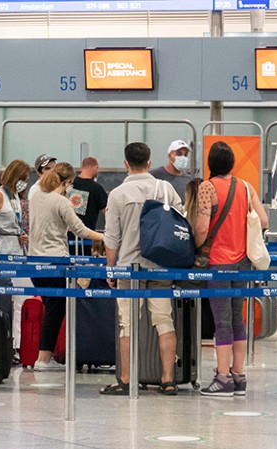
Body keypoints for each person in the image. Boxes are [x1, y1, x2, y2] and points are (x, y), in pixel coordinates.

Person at [101, 142, 182, 396]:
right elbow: (181, 224)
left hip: (128, 268)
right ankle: (168, 379)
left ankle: (126, 379)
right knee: (164, 320)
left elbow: (111, 238)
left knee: (127, 323)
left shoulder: (116, 194)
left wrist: (110, 269)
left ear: (126, 164)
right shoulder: (165, 188)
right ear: (149, 163)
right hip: (161, 266)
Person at [195, 142, 268, 397]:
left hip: (218, 262)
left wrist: (195, 245)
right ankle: (239, 376)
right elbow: (264, 220)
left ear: (210, 164)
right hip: (242, 263)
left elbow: (203, 228)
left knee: (221, 321)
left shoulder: (207, 187)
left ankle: (222, 377)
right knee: (238, 319)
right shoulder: (246, 187)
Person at [28, 162, 103, 371]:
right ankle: (43, 359)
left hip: (34, 262)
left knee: (50, 308)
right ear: (68, 182)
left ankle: (44, 356)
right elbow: (81, 230)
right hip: (55, 261)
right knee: (56, 310)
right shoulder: (61, 202)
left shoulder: (35, 197)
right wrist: (105, 237)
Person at [0, 160, 32, 356]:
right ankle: (5, 343)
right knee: (3, 297)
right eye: (23, 179)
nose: (25, 183)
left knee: (24, 295)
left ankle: (19, 344)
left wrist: (22, 235)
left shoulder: (16, 198)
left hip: (17, 250)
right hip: (1, 252)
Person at [67, 156, 108, 254]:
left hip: (66, 238)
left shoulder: (69, 185)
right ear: (95, 168)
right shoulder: (97, 189)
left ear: (82, 167)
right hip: (87, 239)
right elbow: (108, 213)